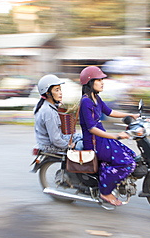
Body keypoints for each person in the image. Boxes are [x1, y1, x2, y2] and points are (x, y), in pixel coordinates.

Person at [78, 66, 139, 206]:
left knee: (131, 155)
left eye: (102, 79)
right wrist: (116, 136)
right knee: (127, 164)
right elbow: (92, 129)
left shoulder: (96, 98)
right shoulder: (86, 101)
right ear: (89, 82)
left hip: (102, 138)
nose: (102, 82)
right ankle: (105, 191)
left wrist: (130, 115)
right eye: (98, 80)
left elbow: (110, 112)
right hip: (94, 142)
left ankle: (105, 172)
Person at [34, 74, 81, 152]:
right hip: (50, 146)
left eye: (60, 89)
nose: (60, 93)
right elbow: (55, 140)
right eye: (56, 90)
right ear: (48, 93)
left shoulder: (44, 106)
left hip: (46, 143)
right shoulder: (48, 111)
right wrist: (69, 145)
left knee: (81, 136)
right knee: (81, 143)